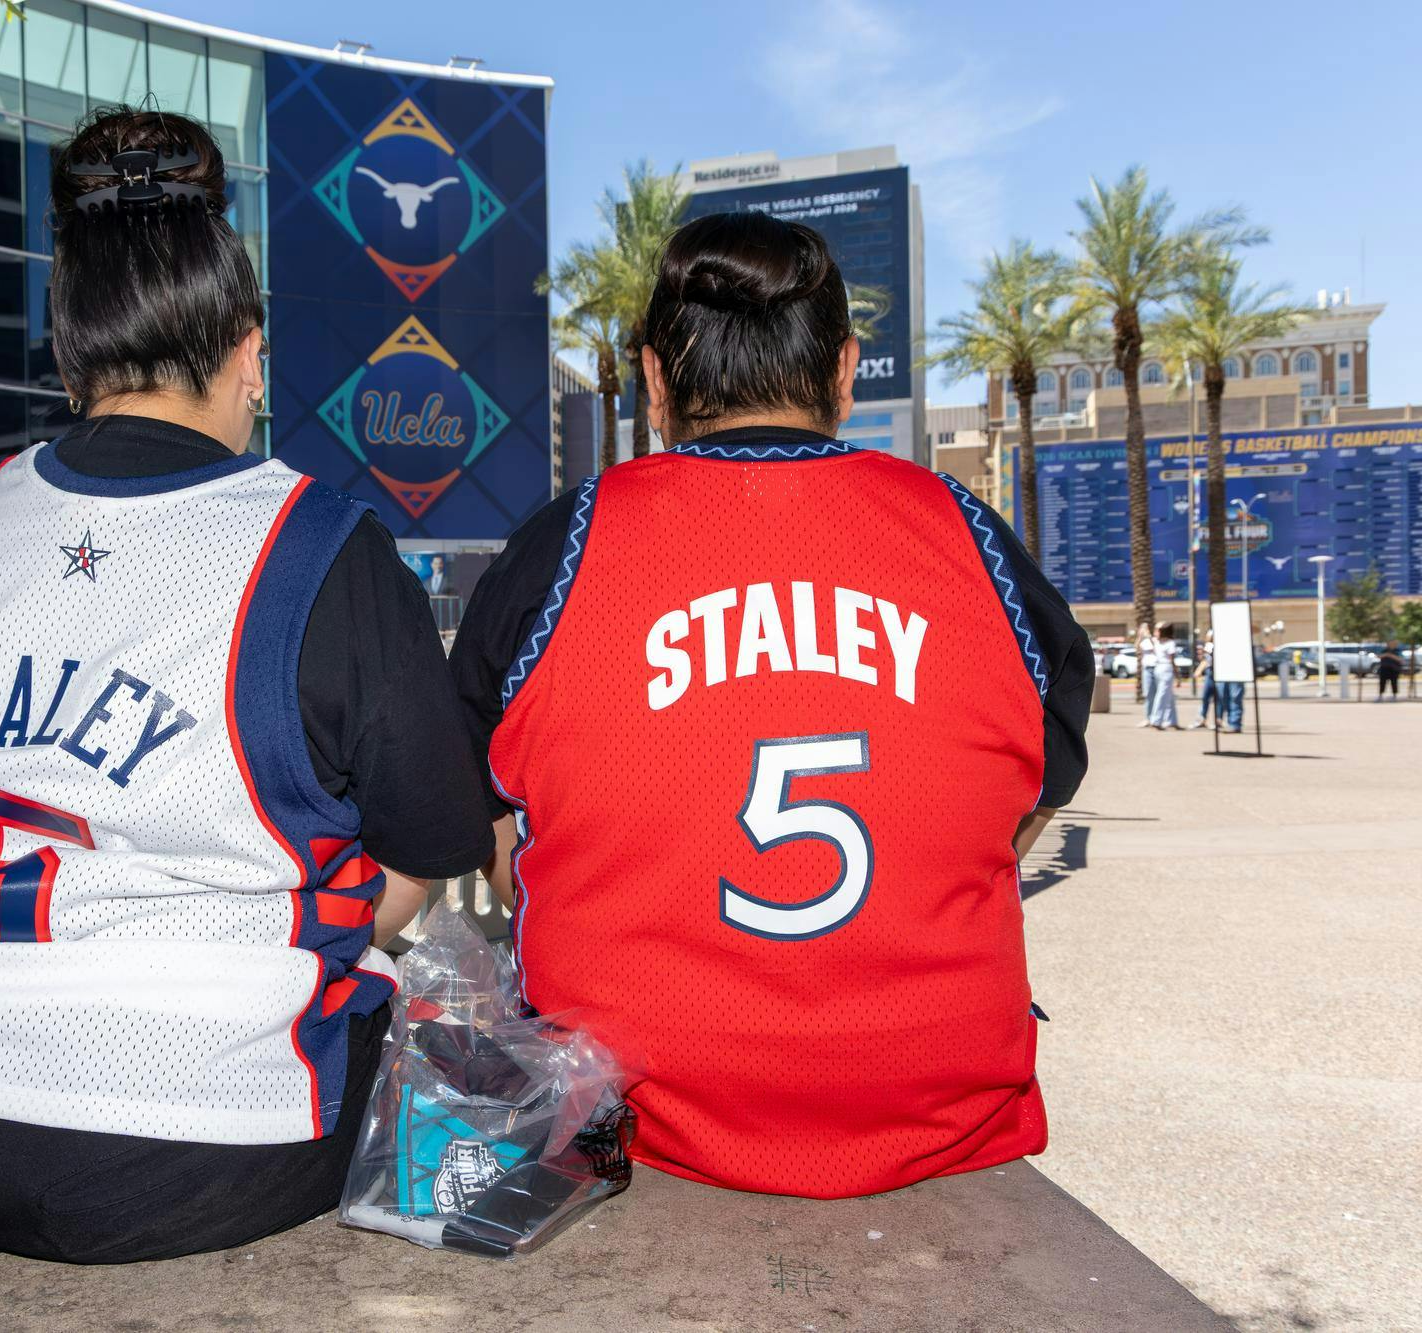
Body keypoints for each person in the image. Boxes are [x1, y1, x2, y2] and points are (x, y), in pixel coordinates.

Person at [0, 107, 495, 1265]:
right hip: (192, 1146)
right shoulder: (319, 543)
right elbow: (421, 855)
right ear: (250, 354)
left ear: (70, 356)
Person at [449, 210, 1093, 1199]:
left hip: (627, 1105)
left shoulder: (568, 540)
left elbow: (469, 779)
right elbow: (1046, 752)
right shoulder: (961, 531)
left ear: (656, 383)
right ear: (843, 370)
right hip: (933, 1107)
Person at [1143, 622, 1180, 730]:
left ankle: (1172, 720)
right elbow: (1172, 661)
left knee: (1169, 696)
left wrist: (1147, 632)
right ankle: (1156, 721)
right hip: (1165, 669)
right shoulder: (1169, 643)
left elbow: (1150, 638)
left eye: (1158, 630)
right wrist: (1178, 676)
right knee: (1162, 695)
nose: (1156, 632)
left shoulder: (1158, 641)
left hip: (1159, 668)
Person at [1190, 629, 1216, 729]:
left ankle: (1218, 720)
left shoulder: (1211, 646)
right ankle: (1202, 719)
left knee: (1218, 699)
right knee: (1205, 697)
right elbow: (1205, 660)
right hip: (1210, 672)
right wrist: (1199, 670)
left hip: (1217, 672)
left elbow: (1206, 659)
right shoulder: (1208, 646)